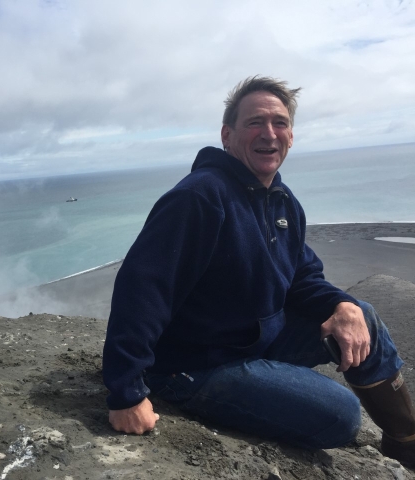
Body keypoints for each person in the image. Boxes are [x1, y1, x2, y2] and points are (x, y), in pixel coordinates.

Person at [102, 76, 415, 466]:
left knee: (360, 313)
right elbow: (142, 288)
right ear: (227, 135)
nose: (269, 133)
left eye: (280, 123)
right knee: (342, 416)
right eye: (255, 123)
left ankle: (406, 443)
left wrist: (342, 304)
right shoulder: (199, 197)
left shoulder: (281, 201)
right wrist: (126, 392)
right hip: (194, 364)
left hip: (257, 340)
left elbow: (302, 276)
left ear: (291, 136)